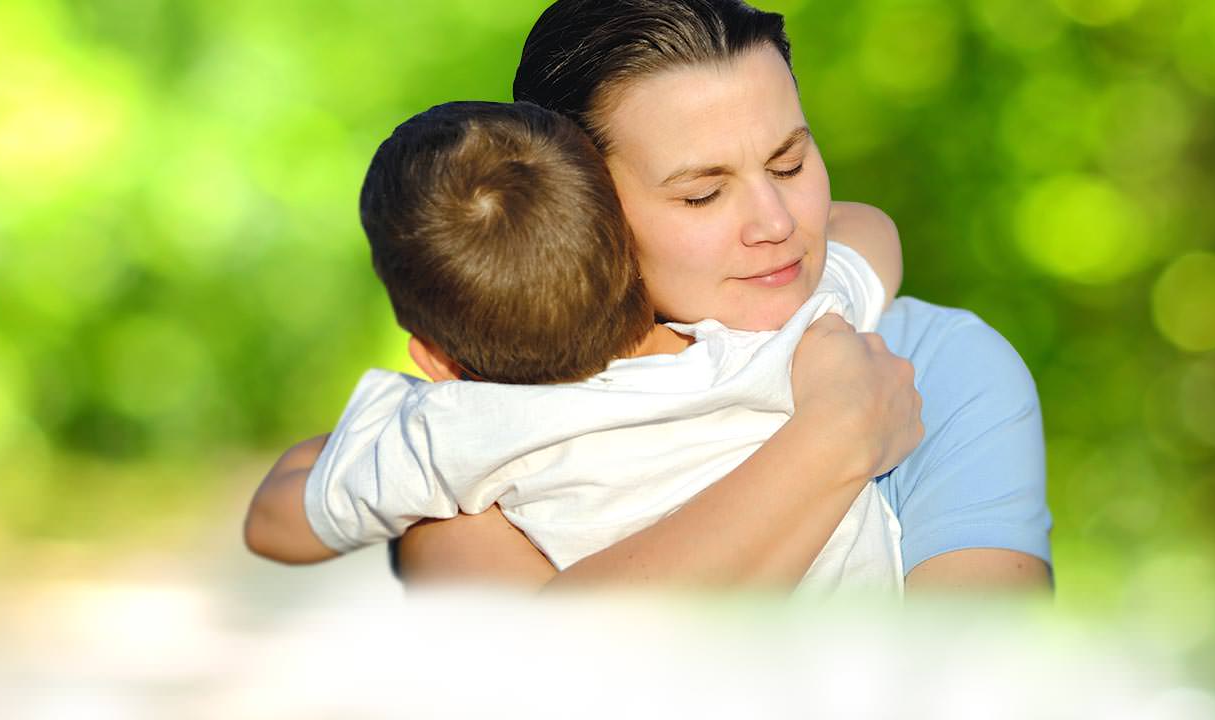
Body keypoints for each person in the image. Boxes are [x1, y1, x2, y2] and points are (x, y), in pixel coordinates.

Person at [248, 0, 1051, 592]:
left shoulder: (463, 439)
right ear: (590, 205)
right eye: (702, 194)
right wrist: (834, 436)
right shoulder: (813, 347)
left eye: (790, 163)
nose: (776, 224)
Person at [262, 98, 909, 592]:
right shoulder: (787, 343)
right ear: (633, 248)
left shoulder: (458, 431)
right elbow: (870, 231)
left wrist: (391, 428)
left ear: (436, 360)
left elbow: (274, 520)